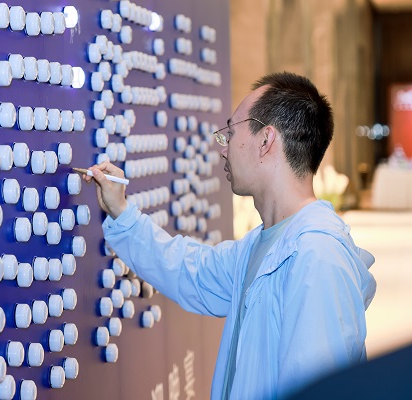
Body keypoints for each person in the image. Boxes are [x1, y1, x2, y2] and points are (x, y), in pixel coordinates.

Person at [79, 72, 376, 400]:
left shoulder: (318, 256)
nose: (223, 150)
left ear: (266, 140)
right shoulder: (263, 244)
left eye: (230, 133)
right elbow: (190, 271)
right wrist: (122, 213)